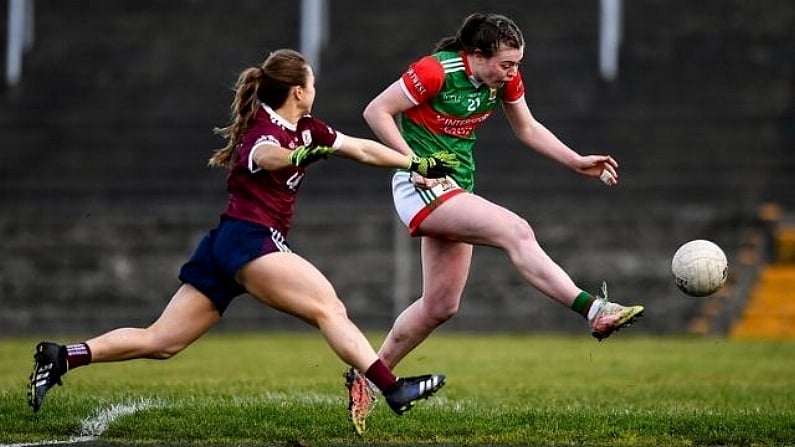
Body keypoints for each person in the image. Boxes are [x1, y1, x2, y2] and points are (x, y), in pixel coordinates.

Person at [28, 49, 454, 419]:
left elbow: (361, 147)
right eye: (312, 85)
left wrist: (413, 164)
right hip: (250, 240)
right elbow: (267, 156)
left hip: (228, 243)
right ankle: (391, 387)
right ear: (298, 91)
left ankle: (62, 357)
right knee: (329, 309)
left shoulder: (309, 127)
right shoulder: (264, 133)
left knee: (161, 342)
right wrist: (296, 155)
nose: (315, 91)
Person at [344, 12, 645, 434]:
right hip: (421, 189)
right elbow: (376, 111)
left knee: (441, 306)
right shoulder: (435, 71)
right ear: (477, 55)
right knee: (516, 230)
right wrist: (413, 162)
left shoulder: (501, 81)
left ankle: (368, 379)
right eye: (507, 63)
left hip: (456, 189)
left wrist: (577, 161)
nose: (513, 72)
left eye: (517, 63)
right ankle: (595, 310)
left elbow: (528, 128)